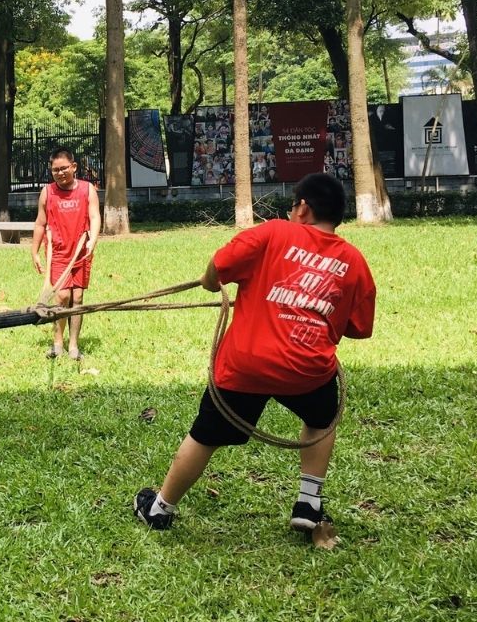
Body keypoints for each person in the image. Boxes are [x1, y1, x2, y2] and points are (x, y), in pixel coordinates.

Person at [134, 172, 375, 534]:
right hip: (309, 369)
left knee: (205, 434)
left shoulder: (273, 232)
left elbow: (219, 266)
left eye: (293, 205)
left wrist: (212, 282)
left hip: (247, 364)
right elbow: (359, 329)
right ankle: (308, 504)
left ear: (303, 208)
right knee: (321, 418)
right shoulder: (354, 261)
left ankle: (160, 508)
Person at [32, 147, 101, 360]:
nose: (60, 173)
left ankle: (73, 346)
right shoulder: (47, 192)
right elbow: (40, 223)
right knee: (62, 296)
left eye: (64, 168)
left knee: (77, 297)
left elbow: (95, 217)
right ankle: (57, 343)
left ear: (74, 167)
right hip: (58, 252)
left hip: (80, 251)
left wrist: (93, 240)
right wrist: (34, 251)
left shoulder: (87, 189)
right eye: (55, 170)